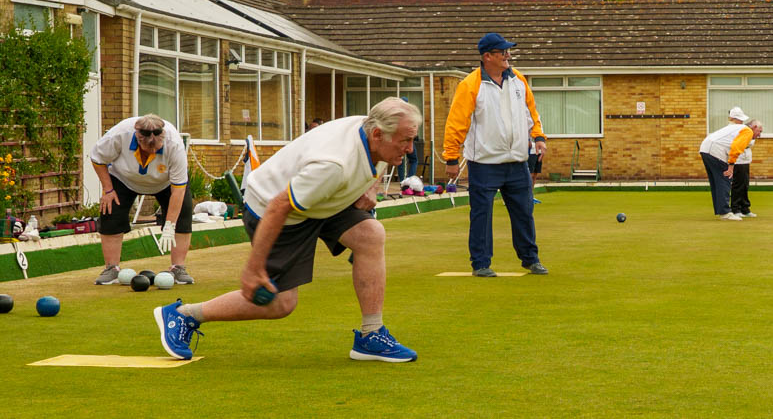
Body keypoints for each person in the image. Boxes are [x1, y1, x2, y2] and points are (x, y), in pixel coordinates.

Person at [153, 97, 420, 362]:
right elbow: (279, 206)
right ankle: (184, 315)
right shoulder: (333, 164)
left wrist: (369, 186)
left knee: (370, 235)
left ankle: (371, 335)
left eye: (412, 140)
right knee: (280, 303)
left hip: (323, 199)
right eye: (405, 141)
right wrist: (254, 267)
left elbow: (381, 153)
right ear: (377, 134)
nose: (409, 149)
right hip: (274, 206)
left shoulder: (374, 132)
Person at [443, 33, 548, 277]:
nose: (508, 56)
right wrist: (451, 157)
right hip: (484, 164)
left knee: (524, 213)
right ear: (487, 56)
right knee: (481, 215)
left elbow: (531, 112)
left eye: (508, 51)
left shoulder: (518, 79)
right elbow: (456, 123)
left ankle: (530, 259)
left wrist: (539, 137)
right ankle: (480, 263)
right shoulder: (470, 84)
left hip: (517, 163)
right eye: (503, 52)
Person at [90, 114, 195, 284]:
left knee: (182, 213)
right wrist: (108, 190)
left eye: (157, 148)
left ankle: (178, 268)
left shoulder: (174, 144)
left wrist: (169, 225)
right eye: (148, 149)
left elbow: (178, 190)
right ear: (138, 139)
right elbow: (97, 158)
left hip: (165, 181)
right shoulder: (119, 135)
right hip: (123, 177)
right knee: (110, 213)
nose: (153, 152)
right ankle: (111, 268)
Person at [699, 118, 763, 221]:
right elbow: (736, 147)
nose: (759, 135)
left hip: (705, 148)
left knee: (716, 182)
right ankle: (725, 212)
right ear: (754, 127)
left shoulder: (738, 128)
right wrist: (731, 165)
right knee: (725, 179)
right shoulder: (748, 131)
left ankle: (721, 210)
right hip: (715, 150)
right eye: (760, 131)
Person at [727, 107, 756, 218]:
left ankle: (745, 208)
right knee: (737, 185)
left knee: (745, 184)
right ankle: (735, 208)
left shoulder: (743, 128)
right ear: (733, 118)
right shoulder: (730, 129)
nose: (742, 121)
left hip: (745, 159)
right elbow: (737, 144)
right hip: (737, 160)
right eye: (739, 119)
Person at [527, 140, 542, 204]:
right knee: (530, 175)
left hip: (539, 151)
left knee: (535, 175)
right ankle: (525, 197)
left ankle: (530, 197)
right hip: (530, 152)